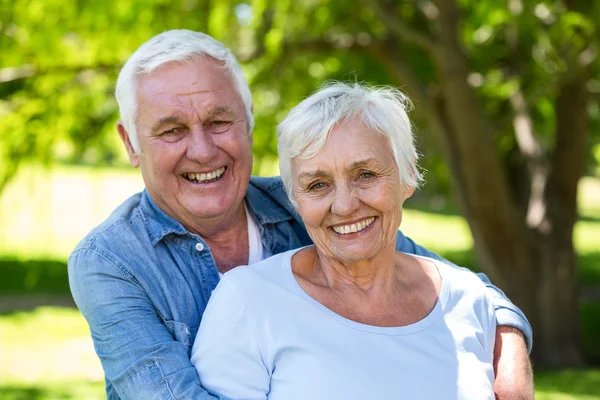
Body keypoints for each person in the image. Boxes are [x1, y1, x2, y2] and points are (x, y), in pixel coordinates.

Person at [68, 29, 532, 400]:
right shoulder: (109, 261)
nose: (203, 150)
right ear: (130, 143)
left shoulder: (306, 202)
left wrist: (508, 368)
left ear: (249, 123)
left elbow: (455, 287)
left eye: (219, 122)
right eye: (172, 130)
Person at [190, 82, 499, 399]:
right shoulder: (249, 302)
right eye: (318, 184)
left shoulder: (468, 299)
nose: (345, 205)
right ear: (295, 199)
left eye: (365, 174)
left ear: (408, 176)